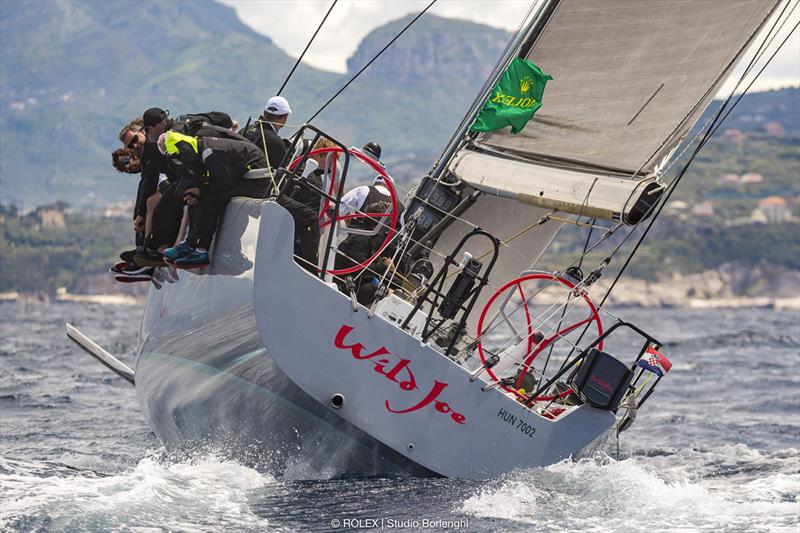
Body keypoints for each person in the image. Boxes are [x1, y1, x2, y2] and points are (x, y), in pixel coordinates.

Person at [161, 131, 270, 268]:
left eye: (180, 156)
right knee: (197, 199)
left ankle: (202, 250)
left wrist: (201, 191)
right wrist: (195, 192)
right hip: (242, 177)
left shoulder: (210, 152)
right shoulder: (200, 150)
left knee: (211, 200)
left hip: (256, 181)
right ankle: (191, 243)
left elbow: (225, 182)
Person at [242, 96, 291, 169]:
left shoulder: (244, 130)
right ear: (284, 118)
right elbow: (287, 168)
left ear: (264, 113)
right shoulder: (275, 141)